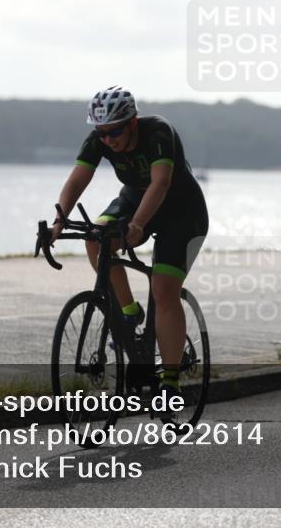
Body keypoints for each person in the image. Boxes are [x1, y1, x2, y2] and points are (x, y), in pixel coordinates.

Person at [49, 86, 208, 400]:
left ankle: (171, 379)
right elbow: (78, 178)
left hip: (182, 212)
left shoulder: (159, 132)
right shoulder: (100, 139)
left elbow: (161, 182)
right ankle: (129, 311)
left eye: (114, 132)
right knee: (96, 237)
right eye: (102, 133)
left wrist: (138, 224)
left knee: (163, 290)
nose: (108, 140)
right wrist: (58, 221)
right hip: (134, 199)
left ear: (132, 122)